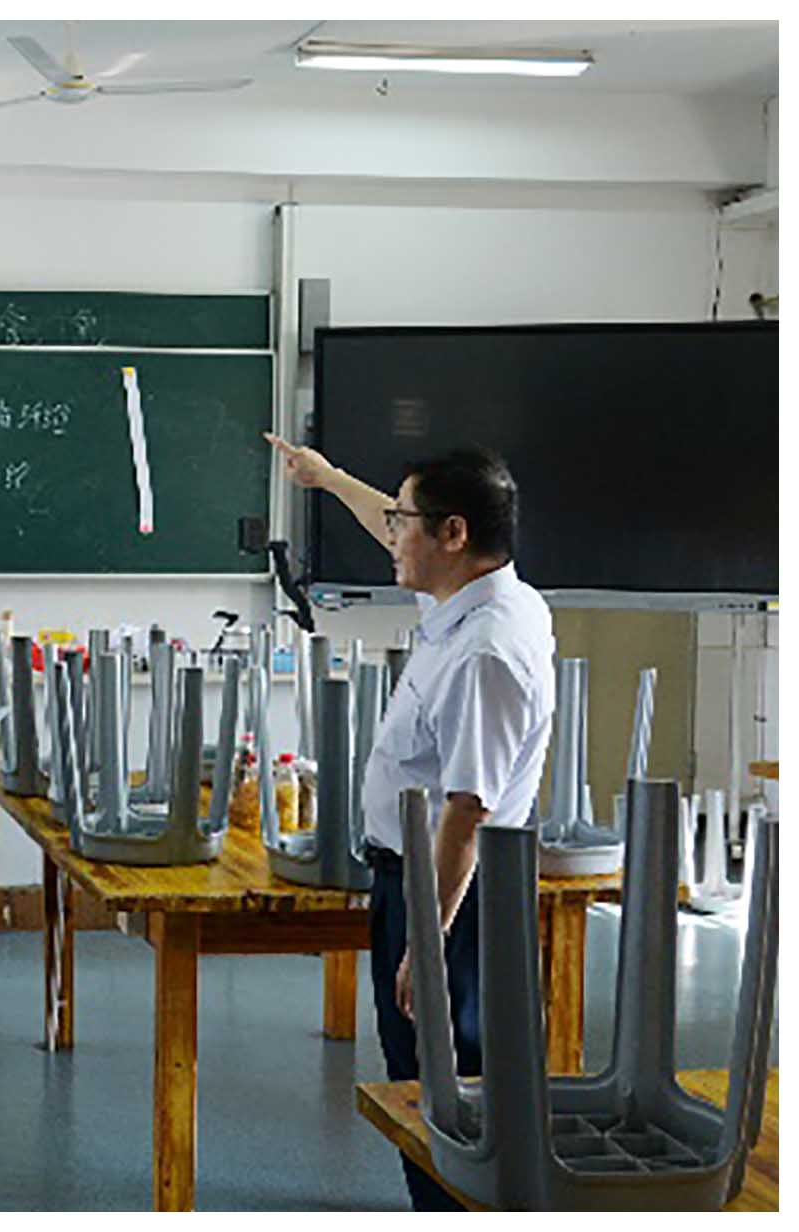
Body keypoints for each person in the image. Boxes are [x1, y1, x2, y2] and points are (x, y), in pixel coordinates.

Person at [266, 434, 555, 1212]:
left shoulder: (487, 650)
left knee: (442, 1081)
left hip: (448, 894)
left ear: (453, 533)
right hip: (419, 884)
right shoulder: (467, 599)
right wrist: (328, 478)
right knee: (420, 1076)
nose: (390, 533)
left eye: (404, 521)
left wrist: (427, 940)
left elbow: (468, 810)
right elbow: (388, 523)